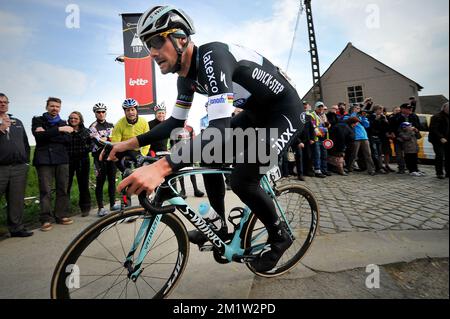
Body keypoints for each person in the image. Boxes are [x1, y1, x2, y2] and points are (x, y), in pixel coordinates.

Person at [105, 5, 304, 272]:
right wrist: (127, 144)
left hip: (284, 113)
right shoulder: (184, 79)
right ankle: (219, 224)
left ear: (181, 38)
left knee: (243, 180)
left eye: (155, 41)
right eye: (147, 45)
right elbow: (174, 123)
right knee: (210, 152)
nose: (151, 52)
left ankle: (281, 237)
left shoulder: (213, 56)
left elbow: (219, 128)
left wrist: (162, 167)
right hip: (255, 114)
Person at [32, 97, 73, 231]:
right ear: (47, 107)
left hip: (61, 159)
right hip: (44, 160)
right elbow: (39, 137)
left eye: (57, 106)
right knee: (45, 190)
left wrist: (47, 134)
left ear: (60, 108)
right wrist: (60, 130)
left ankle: (61, 215)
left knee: (62, 188)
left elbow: (67, 140)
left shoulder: (63, 122)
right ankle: (45, 219)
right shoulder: (38, 120)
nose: (54, 108)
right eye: (52, 106)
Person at [0, 93, 33, 237]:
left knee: (16, 199)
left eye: (5, 102)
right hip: (1, 167)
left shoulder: (16, 121)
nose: (3, 104)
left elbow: (25, 142)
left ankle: (16, 228)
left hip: (19, 167)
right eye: (0, 102)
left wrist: (26, 161)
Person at [90, 103, 119, 217]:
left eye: (103, 111)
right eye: (98, 112)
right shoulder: (93, 126)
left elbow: (115, 139)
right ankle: (100, 208)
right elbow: (98, 141)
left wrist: (106, 139)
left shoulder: (112, 125)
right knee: (100, 182)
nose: (101, 114)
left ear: (105, 112)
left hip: (111, 157)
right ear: (95, 113)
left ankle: (112, 204)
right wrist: (108, 139)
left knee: (112, 181)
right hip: (99, 158)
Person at [170, 123, 205, 198]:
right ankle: (183, 190)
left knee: (191, 171)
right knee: (180, 172)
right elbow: (172, 143)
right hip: (179, 153)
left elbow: (194, 140)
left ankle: (196, 190)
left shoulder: (190, 128)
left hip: (189, 152)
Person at [67, 111, 92, 217]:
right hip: (68, 160)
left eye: (75, 118)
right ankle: (64, 210)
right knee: (66, 185)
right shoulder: (66, 130)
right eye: (71, 118)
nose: (73, 120)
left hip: (83, 160)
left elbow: (91, 145)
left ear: (80, 120)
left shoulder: (86, 131)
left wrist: (86, 149)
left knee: (83, 185)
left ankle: (85, 208)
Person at [389, 103, 421, 174]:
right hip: (399, 138)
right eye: (408, 108)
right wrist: (393, 134)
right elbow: (391, 127)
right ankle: (401, 168)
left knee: (411, 153)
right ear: (402, 109)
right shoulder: (395, 117)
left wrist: (416, 129)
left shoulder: (414, 116)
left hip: (410, 139)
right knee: (399, 154)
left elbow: (418, 126)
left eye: (410, 108)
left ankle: (413, 169)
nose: (410, 109)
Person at [344, 106, 376, 176]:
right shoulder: (347, 116)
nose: (359, 110)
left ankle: (371, 169)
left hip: (364, 137)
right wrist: (355, 113)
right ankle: (349, 168)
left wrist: (364, 117)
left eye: (359, 109)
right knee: (354, 154)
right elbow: (349, 121)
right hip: (355, 138)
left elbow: (367, 125)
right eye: (357, 109)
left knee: (368, 154)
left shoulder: (360, 117)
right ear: (353, 110)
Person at [310, 101, 331, 178]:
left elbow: (327, 125)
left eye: (322, 107)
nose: (321, 108)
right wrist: (324, 128)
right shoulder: (312, 115)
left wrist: (327, 125)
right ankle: (317, 170)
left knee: (324, 154)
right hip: (316, 138)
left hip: (324, 138)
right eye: (319, 107)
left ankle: (324, 170)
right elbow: (314, 127)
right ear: (315, 107)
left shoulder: (323, 115)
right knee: (317, 154)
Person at [429, 102, 449, 179]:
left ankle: (448, 172)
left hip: (447, 139)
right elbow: (434, 129)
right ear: (444, 108)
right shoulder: (437, 116)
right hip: (437, 140)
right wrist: (441, 137)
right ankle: (439, 173)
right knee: (440, 155)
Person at [368, 105, 389, 174]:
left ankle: (380, 167)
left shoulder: (382, 117)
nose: (381, 111)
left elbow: (385, 127)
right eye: (380, 110)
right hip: (372, 137)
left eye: (382, 110)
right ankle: (377, 168)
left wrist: (386, 120)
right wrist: (376, 120)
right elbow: (369, 127)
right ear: (376, 110)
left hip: (379, 137)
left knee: (380, 153)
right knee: (374, 153)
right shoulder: (370, 116)